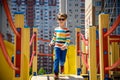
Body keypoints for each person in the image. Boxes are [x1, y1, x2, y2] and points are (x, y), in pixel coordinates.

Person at [49, 13, 70, 79]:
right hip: (57, 47)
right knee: (56, 59)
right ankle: (56, 73)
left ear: (65, 20)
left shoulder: (66, 30)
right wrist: (51, 42)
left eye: (62, 19)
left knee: (62, 60)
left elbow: (68, 40)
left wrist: (65, 45)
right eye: (59, 19)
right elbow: (54, 37)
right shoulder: (56, 29)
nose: (61, 20)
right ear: (57, 20)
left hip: (64, 48)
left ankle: (62, 65)